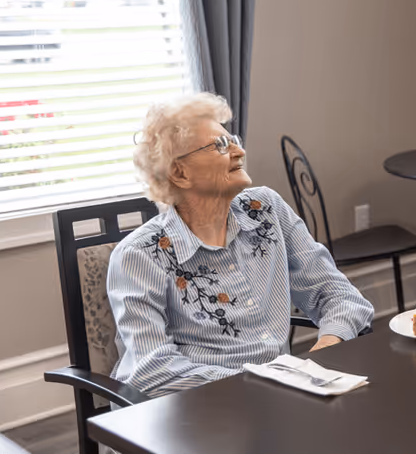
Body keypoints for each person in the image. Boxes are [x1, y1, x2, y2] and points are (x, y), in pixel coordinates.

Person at [107, 93, 374, 396]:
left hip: (280, 397)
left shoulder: (265, 209)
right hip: (196, 410)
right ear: (179, 173)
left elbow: (339, 296)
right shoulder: (140, 256)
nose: (239, 151)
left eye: (232, 139)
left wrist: (324, 349)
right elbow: (152, 370)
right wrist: (267, 383)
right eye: (220, 145)